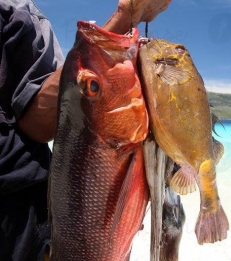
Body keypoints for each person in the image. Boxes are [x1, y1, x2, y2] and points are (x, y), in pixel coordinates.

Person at [0, 0, 171, 260]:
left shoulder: (13, 12)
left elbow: (36, 121)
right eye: (94, 86)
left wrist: (124, 19)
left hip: (18, 222)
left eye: (93, 86)